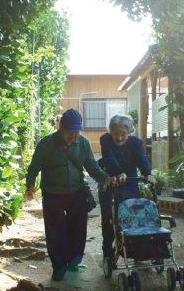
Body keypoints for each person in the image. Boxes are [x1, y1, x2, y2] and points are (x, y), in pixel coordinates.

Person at [25, 109, 116, 281]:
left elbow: (92, 167)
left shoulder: (83, 143)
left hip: (77, 192)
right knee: (55, 231)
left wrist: (106, 179)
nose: (74, 135)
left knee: (78, 227)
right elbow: (34, 167)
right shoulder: (46, 143)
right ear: (60, 127)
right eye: (70, 131)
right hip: (52, 193)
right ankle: (59, 266)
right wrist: (30, 184)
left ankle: (74, 261)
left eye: (77, 131)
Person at [99, 114, 156, 260]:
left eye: (123, 134)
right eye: (115, 133)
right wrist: (119, 172)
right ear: (110, 131)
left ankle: (136, 250)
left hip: (130, 184)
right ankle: (108, 253)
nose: (119, 138)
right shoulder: (105, 139)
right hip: (111, 183)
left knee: (132, 216)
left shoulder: (136, 142)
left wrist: (148, 174)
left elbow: (142, 159)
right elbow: (109, 158)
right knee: (109, 218)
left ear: (129, 132)